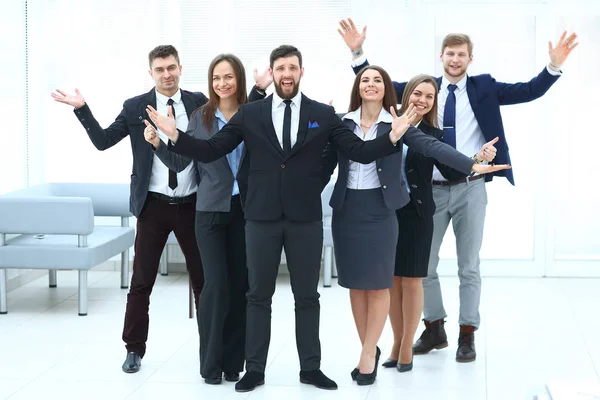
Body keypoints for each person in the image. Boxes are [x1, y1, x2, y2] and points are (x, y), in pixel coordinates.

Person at [146, 44, 426, 393]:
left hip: (304, 218)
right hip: (260, 217)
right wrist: (174, 135)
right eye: (281, 68)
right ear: (273, 72)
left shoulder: (324, 114)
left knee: (307, 297)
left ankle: (310, 368)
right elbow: (211, 149)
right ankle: (255, 370)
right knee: (257, 297)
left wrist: (395, 134)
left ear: (301, 72)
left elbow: (360, 152)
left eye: (293, 67)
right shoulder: (250, 114)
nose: (287, 74)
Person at [337, 18, 578, 362]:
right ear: (441, 56)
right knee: (425, 266)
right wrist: (358, 52)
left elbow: (529, 90)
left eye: (461, 54)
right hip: (429, 192)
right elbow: (379, 85)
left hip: (471, 186)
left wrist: (553, 65)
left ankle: (468, 332)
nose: (454, 59)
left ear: (470, 58)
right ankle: (434, 327)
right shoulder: (423, 89)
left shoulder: (485, 87)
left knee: (469, 266)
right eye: (450, 53)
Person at [51, 45, 268, 374]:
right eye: (159, 69)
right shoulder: (136, 107)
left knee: (206, 284)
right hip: (152, 205)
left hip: (195, 203)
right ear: (150, 73)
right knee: (141, 282)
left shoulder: (199, 105)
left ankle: (214, 353)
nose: (166, 74)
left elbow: (235, 113)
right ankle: (134, 348)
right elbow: (103, 140)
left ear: (181, 68)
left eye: (171, 67)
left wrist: (260, 88)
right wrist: (82, 109)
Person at [320, 66, 507, 386]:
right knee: (355, 284)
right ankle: (370, 347)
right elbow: (319, 160)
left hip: (381, 211)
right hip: (347, 210)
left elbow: (435, 148)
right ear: (357, 87)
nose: (371, 84)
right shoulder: (341, 122)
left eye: (378, 80)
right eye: (365, 79)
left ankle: (367, 355)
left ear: (387, 90)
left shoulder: (399, 124)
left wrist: (472, 163)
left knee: (379, 284)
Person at [145, 53, 266, 385]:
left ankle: (233, 363)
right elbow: (183, 162)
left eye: (228, 77)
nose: (222, 83)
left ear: (238, 80)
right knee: (214, 286)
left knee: (240, 285)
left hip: (246, 211)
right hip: (210, 211)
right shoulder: (201, 117)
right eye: (216, 78)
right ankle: (210, 364)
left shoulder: (253, 115)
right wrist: (159, 143)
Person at [378, 74, 497, 373]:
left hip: (419, 211)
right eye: (417, 93)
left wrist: (475, 158)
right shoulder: (385, 123)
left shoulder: (433, 133)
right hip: (389, 212)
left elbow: (449, 167)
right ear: (406, 96)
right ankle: (413, 336)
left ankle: (454, 336)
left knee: (437, 272)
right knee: (399, 279)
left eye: (429, 97)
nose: (422, 100)